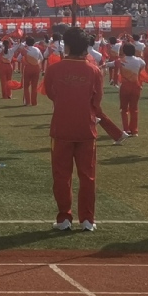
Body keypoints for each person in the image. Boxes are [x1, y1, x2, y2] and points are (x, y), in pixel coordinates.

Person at [45, 28, 103, 231]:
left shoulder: (54, 69)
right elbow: (96, 101)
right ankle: (87, 219)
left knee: (62, 176)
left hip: (61, 127)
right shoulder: (94, 70)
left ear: (67, 46)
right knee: (88, 176)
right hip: (86, 128)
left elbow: (51, 94)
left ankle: (64, 218)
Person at [115, 42, 146, 137]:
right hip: (135, 86)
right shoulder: (139, 60)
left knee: (124, 109)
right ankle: (134, 130)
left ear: (124, 51)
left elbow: (109, 64)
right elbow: (143, 66)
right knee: (134, 108)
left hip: (125, 86)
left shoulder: (121, 61)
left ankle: (126, 129)